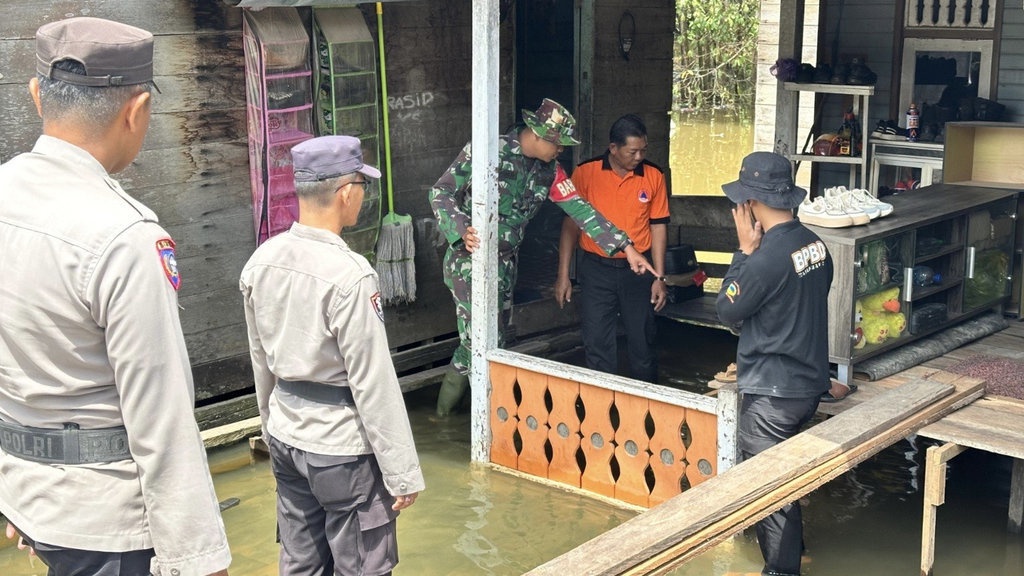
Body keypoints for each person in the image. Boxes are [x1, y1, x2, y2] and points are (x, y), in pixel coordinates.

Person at [0, 16, 231, 576]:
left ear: (36, 95)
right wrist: (200, 558)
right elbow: (162, 417)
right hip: (108, 522)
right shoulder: (126, 236)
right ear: (137, 111)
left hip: (28, 496)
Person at [239, 135, 424, 576]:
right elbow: (372, 381)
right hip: (341, 449)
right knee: (362, 565)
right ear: (346, 193)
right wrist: (402, 472)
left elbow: (260, 360)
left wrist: (271, 428)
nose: (363, 196)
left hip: (287, 437)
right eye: (363, 186)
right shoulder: (352, 275)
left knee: (301, 563)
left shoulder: (261, 261)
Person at [429, 98, 657, 417]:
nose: (561, 150)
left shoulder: (550, 171)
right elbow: (441, 192)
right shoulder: (488, 150)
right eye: (558, 144)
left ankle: (468, 418)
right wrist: (460, 228)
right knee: (476, 342)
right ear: (537, 135)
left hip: (506, 264)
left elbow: (580, 208)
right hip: (471, 262)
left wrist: (627, 247)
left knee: (495, 341)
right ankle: (445, 418)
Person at [715, 151, 835, 576]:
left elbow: (726, 310)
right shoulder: (815, 244)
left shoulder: (764, 258)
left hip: (772, 392)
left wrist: (743, 251)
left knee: (772, 487)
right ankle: (795, 551)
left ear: (750, 203)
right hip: (807, 382)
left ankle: (782, 571)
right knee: (780, 475)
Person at [553, 114, 670, 382]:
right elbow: (571, 225)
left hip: (639, 272)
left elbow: (658, 226)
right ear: (613, 148)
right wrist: (563, 275)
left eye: (643, 150)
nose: (639, 156)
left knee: (642, 341)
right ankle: (601, 408)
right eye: (632, 151)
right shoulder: (585, 172)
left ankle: (647, 406)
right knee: (597, 341)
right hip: (596, 269)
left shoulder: (653, 175)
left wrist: (659, 278)